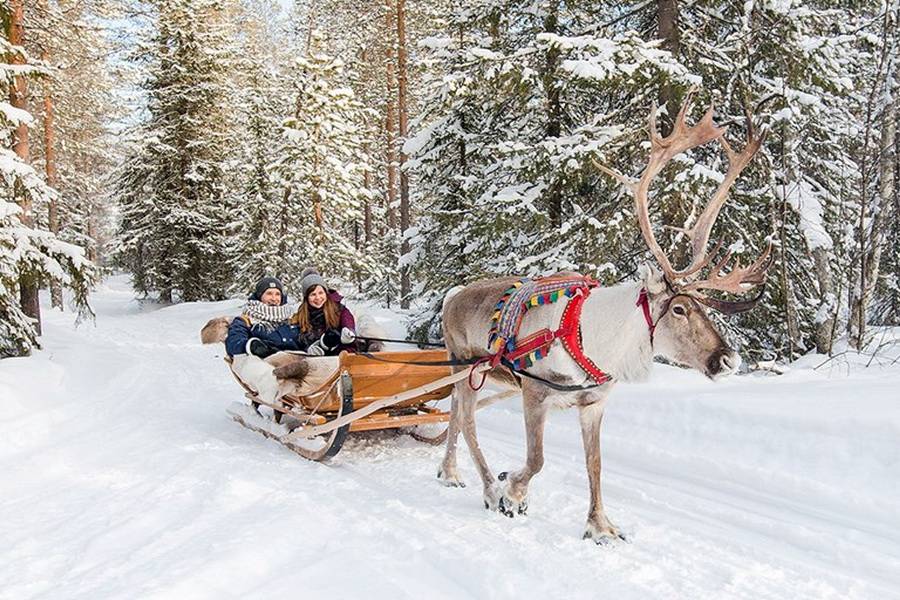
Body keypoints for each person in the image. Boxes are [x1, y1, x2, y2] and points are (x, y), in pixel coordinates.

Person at [225, 276, 301, 359]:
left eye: (277, 294)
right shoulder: (247, 320)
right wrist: (251, 346)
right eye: (269, 294)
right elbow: (233, 343)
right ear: (260, 296)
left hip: (296, 363)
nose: (274, 298)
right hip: (265, 365)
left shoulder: (292, 318)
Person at [291, 269, 357, 356]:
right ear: (306, 298)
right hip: (316, 359)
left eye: (321, 293)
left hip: (342, 354)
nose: (318, 298)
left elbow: (348, 320)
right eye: (313, 294)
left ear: (326, 293)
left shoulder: (339, 310)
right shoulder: (300, 317)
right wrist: (309, 349)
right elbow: (298, 341)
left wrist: (349, 331)